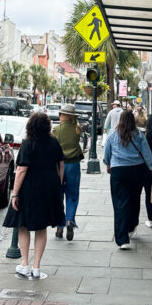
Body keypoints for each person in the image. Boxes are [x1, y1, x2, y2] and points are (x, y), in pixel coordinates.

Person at [4, 111, 65, 278]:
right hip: (49, 188)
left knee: (23, 225)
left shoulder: (28, 144)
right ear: (47, 126)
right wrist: (58, 184)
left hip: (29, 188)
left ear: (30, 126)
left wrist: (15, 193)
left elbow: (22, 170)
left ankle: (24, 264)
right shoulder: (53, 142)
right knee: (41, 226)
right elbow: (61, 164)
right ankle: (36, 267)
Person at [104, 109, 152, 250]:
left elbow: (106, 154)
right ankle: (132, 225)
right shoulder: (139, 134)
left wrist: (108, 163)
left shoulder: (113, 134)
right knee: (134, 200)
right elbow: (147, 153)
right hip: (136, 170)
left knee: (120, 203)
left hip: (119, 171)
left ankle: (122, 239)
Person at [52, 103, 83, 240]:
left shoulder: (57, 129)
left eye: (60, 114)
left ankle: (60, 227)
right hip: (74, 165)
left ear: (64, 115)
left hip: (60, 166)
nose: (59, 116)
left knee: (59, 195)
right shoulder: (77, 129)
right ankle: (70, 220)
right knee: (72, 195)